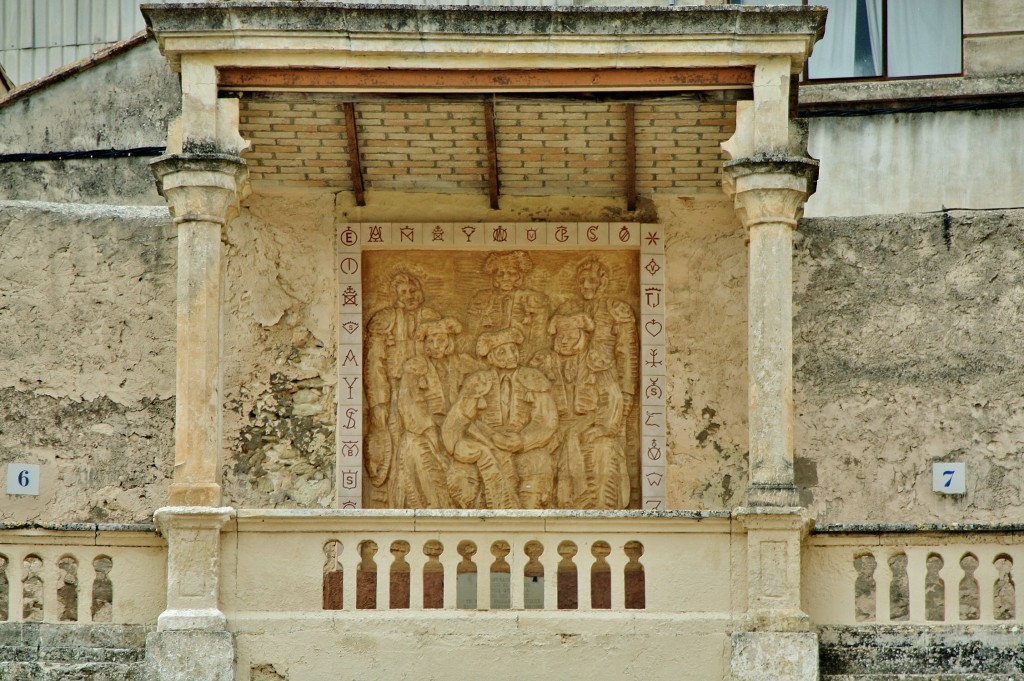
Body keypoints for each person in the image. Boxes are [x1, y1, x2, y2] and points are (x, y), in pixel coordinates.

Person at [442, 327, 558, 509]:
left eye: (513, 349)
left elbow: (546, 420)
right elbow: (457, 418)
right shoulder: (478, 382)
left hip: (525, 446)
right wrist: (456, 445)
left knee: (538, 462)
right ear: (490, 356)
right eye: (502, 351)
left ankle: (529, 522)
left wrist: (521, 440)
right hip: (485, 443)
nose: (511, 355)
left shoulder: (533, 378)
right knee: (463, 472)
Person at [531, 313, 629, 509]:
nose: (565, 340)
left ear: (582, 335)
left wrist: (603, 427)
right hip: (550, 428)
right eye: (561, 336)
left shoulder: (597, 360)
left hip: (590, 424)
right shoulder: (543, 361)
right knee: (535, 457)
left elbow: (612, 397)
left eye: (570, 335)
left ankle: (602, 510)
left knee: (603, 449)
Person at [364, 271, 439, 507]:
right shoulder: (385, 320)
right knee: (398, 448)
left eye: (413, 290)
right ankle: (401, 503)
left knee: (429, 443)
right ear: (394, 296)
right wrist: (378, 402)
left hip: (426, 392)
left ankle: (433, 500)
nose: (410, 296)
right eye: (403, 292)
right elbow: (374, 363)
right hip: (396, 392)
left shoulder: (430, 317)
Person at [396, 317, 479, 508]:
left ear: (449, 341)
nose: (435, 345)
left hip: (459, 427)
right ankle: (434, 504)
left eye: (440, 340)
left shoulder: (463, 362)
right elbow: (408, 402)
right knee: (420, 451)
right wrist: (428, 430)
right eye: (430, 341)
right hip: (425, 429)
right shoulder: (415, 366)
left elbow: (484, 380)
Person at [469, 251, 549, 358]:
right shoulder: (482, 298)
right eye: (500, 274)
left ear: (520, 276)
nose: (505, 278)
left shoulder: (533, 299)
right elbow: (473, 335)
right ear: (495, 277)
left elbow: (538, 338)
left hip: (523, 357)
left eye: (512, 274)